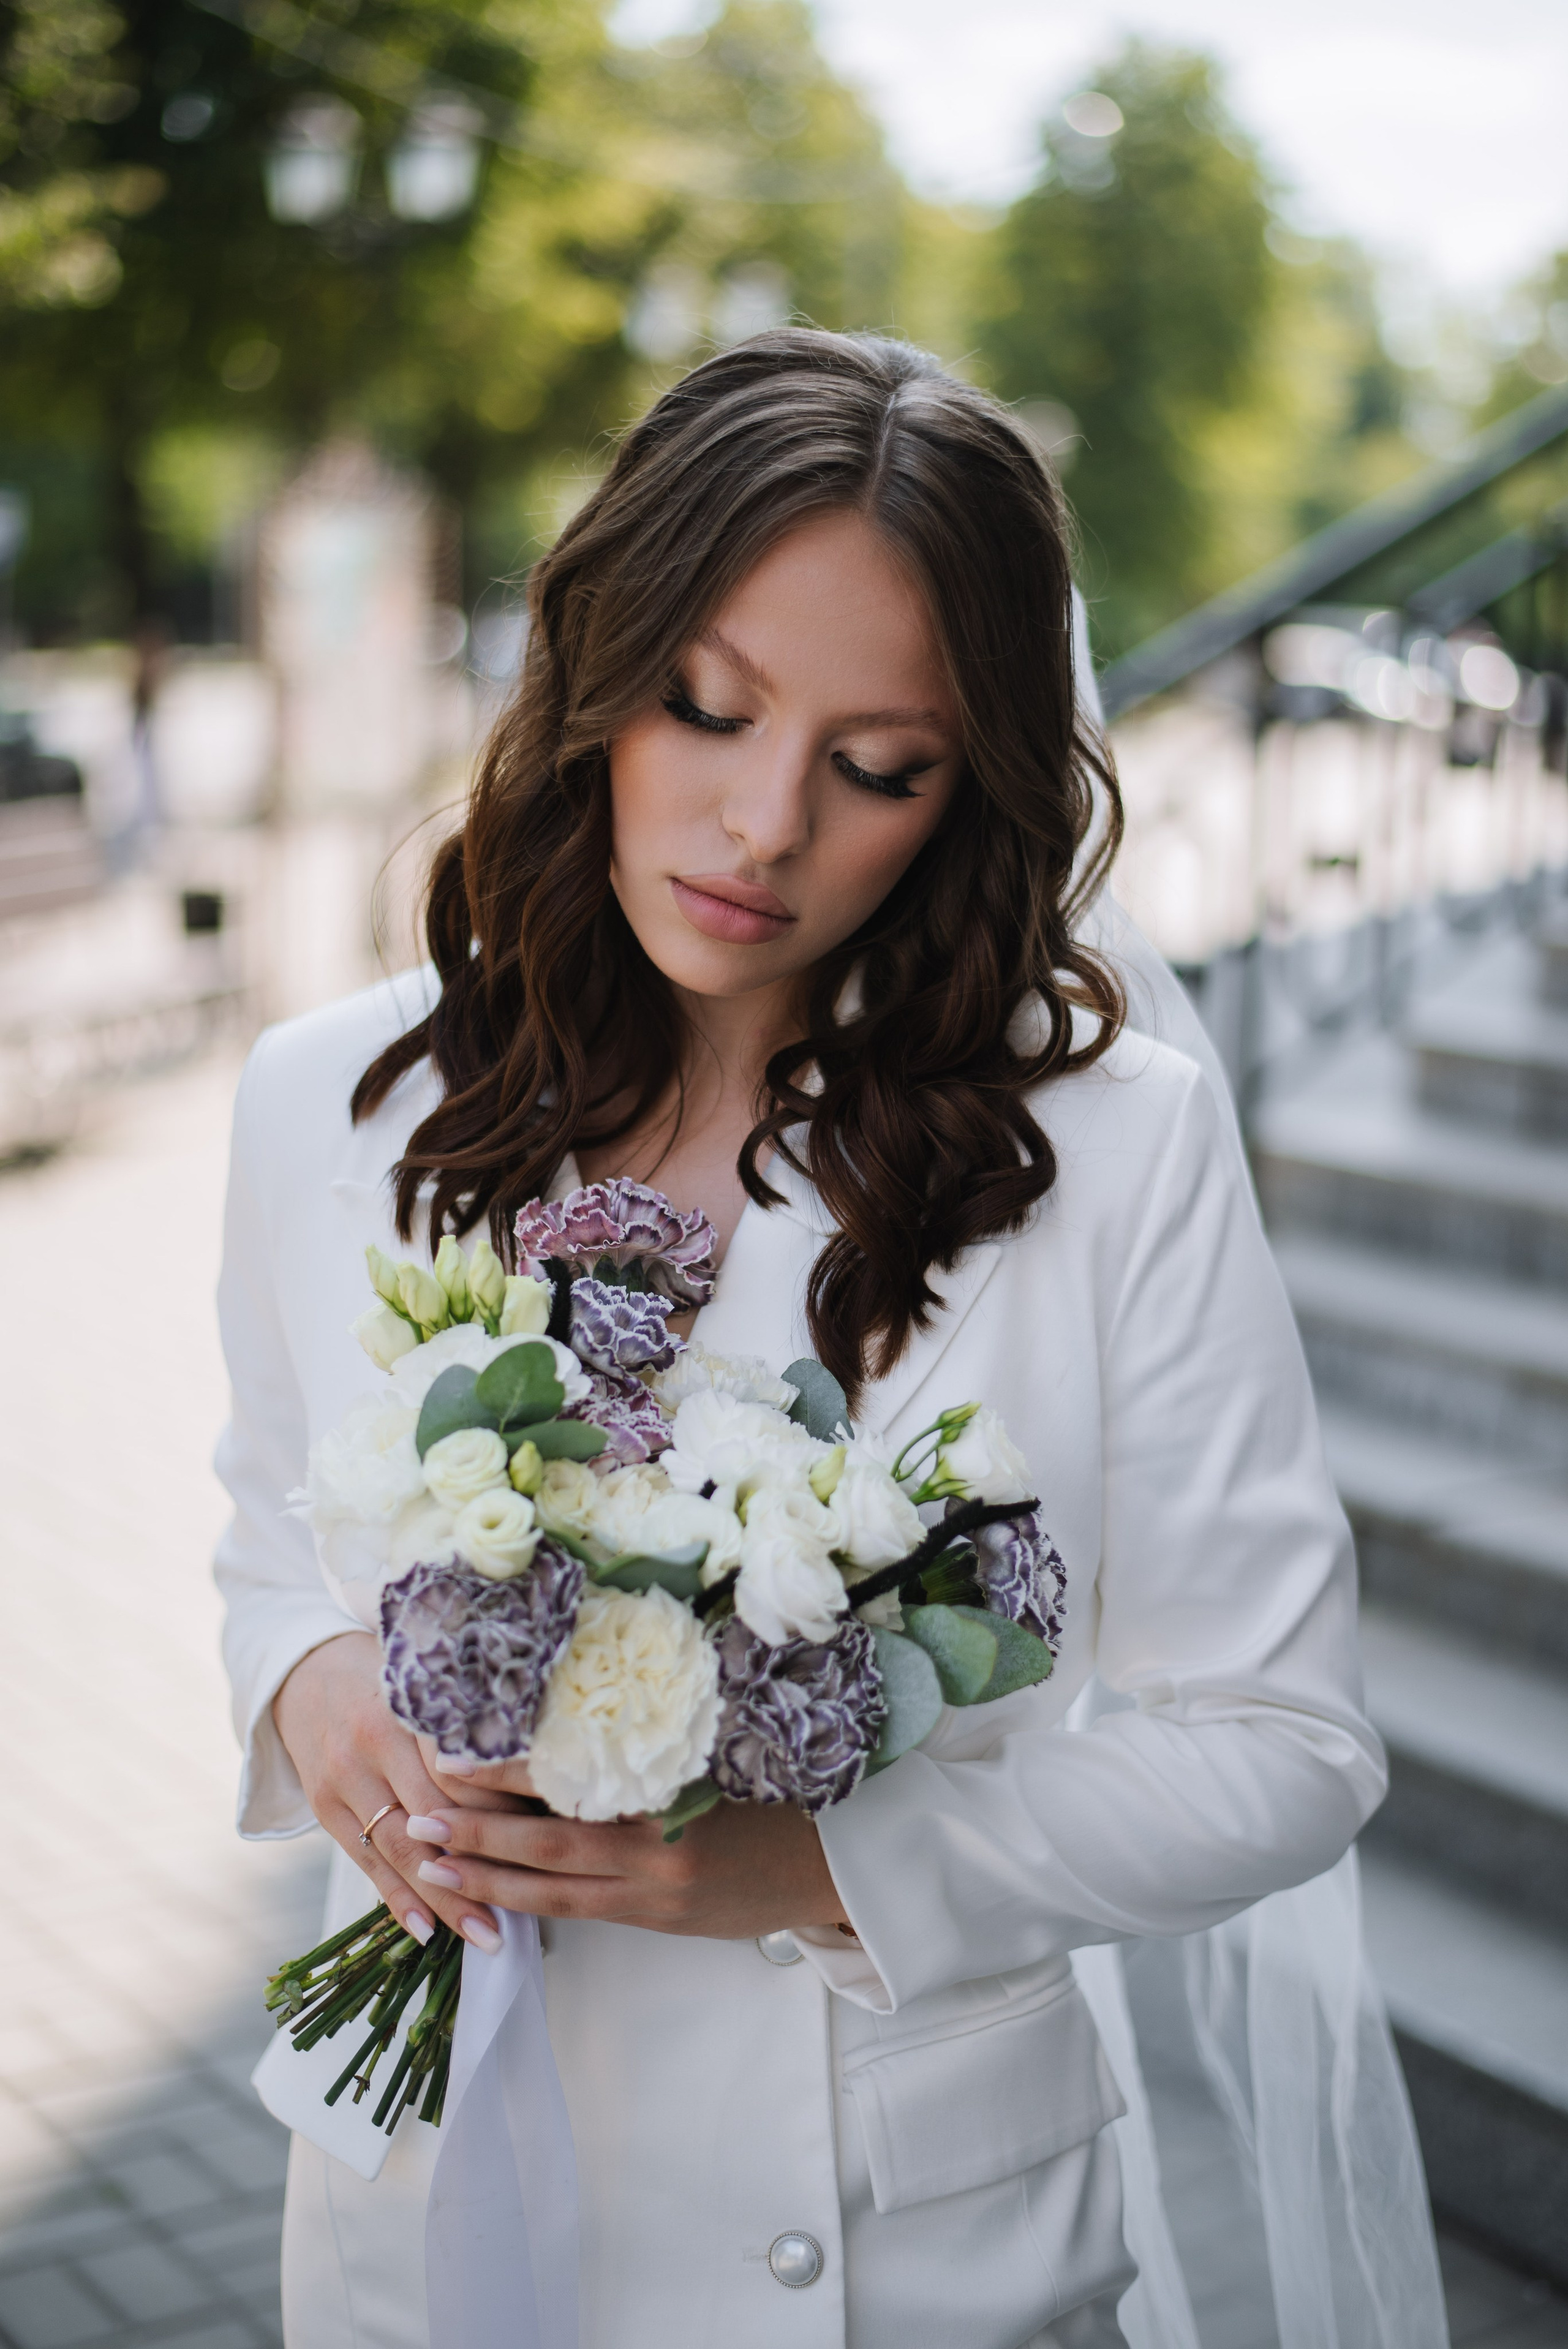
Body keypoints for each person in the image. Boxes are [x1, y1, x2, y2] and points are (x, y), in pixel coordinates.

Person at [214, 332, 1400, 2349]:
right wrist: (315, 1684)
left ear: (969, 789)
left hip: (907, 2258)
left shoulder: (1109, 1151)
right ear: (600, 659)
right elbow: (265, 1523)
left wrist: (814, 1861)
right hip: (424, 2208)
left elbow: (1286, 1749)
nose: (763, 825)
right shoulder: (334, 1102)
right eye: (708, 707)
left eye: (877, 767)